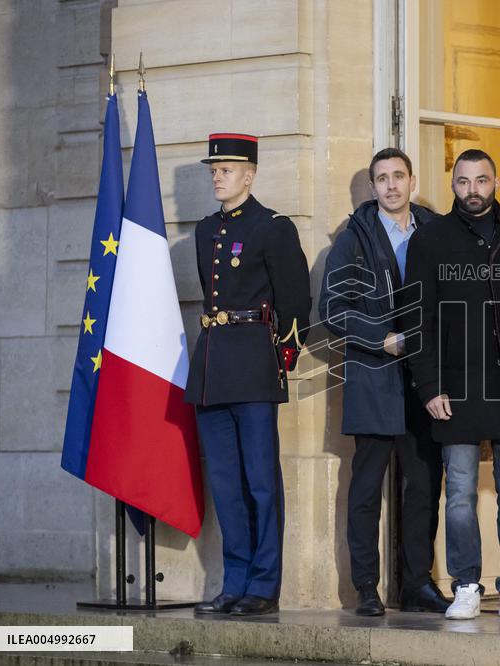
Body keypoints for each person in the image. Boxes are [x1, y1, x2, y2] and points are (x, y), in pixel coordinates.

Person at [402, 149, 500, 620]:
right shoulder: (429, 239)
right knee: (461, 491)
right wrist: (428, 387)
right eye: (464, 181)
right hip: (456, 386)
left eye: (481, 180)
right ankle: (466, 583)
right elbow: (418, 317)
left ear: (495, 181)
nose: (473, 190)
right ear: (453, 185)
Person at [319, 148, 449, 616]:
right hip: (374, 377)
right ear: (372, 188)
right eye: (382, 179)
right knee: (366, 489)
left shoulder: (437, 230)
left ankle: (417, 584)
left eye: (398, 176)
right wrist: (383, 338)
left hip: (424, 382)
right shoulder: (354, 237)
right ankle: (367, 588)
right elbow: (332, 309)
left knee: (423, 486)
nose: (391, 185)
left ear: (412, 181)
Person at [185, 133, 312, 617]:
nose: (218, 176)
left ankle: (263, 585)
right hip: (213, 368)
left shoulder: (273, 227)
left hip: (255, 367)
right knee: (226, 485)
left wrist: (283, 357)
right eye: (214, 170)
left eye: (228, 169)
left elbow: (295, 301)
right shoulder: (203, 231)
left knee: (261, 483)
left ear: (250, 175)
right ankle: (234, 582)